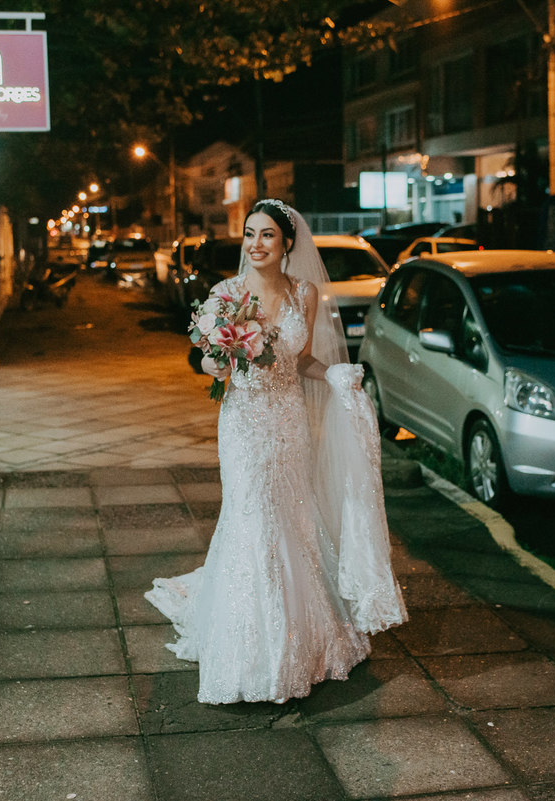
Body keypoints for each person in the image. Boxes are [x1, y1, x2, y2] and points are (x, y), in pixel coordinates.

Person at [145, 199, 407, 704]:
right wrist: (212, 367)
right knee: (251, 515)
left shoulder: (303, 293)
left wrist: (330, 374)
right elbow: (201, 355)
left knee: (290, 516)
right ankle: (248, 645)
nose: (256, 244)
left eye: (267, 235)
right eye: (249, 234)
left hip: (287, 422)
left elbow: (300, 357)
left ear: (288, 242)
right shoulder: (226, 294)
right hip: (242, 422)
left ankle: (303, 634)